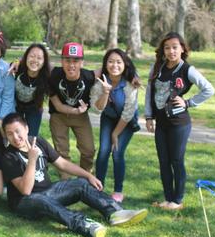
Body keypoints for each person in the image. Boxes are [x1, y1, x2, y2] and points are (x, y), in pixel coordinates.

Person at [1, 113, 148, 237]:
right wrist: (32, 160)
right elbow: (25, 190)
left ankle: (115, 212)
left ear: (26, 128)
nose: (15, 137)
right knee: (39, 198)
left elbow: (63, 164)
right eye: (9, 134)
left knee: (80, 183)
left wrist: (88, 175)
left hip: (48, 194)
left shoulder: (38, 141)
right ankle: (85, 225)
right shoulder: (8, 156)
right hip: (25, 202)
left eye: (17, 131)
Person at [145, 32, 215, 210]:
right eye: (167, 48)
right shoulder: (157, 68)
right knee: (163, 161)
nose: (171, 51)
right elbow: (149, 93)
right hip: (161, 124)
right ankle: (168, 200)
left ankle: (177, 201)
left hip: (179, 124)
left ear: (182, 48)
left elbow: (209, 89)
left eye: (175, 47)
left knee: (176, 160)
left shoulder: (187, 70)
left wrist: (188, 102)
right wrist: (148, 116)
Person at [48, 42, 108, 179]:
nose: (71, 65)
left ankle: (86, 177)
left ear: (82, 62)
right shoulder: (53, 75)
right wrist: (16, 63)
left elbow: (112, 66)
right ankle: (66, 181)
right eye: (67, 60)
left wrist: (132, 75)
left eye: (76, 60)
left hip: (81, 117)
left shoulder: (88, 76)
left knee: (88, 149)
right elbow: (35, 61)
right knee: (62, 150)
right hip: (59, 115)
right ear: (61, 61)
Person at [91, 48, 140, 203]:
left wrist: (115, 134)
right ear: (105, 64)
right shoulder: (100, 82)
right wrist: (105, 92)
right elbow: (97, 108)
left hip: (126, 122)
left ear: (124, 64)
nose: (114, 65)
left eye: (118, 62)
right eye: (110, 61)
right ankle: (98, 187)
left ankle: (118, 191)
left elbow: (127, 113)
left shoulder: (130, 83)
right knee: (103, 151)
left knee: (117, 153)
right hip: (108, 118)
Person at [14, 43, 50, 136]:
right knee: (16, 135)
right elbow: (13, 63)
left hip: (34, 107)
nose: (35, 60)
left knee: (32, 137)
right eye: (32, 56)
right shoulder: (17, 69)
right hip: (15, 106)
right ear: (26, 57)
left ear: (44, 61)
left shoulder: (47, 76)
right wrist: (15, 61)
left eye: (39, 58)